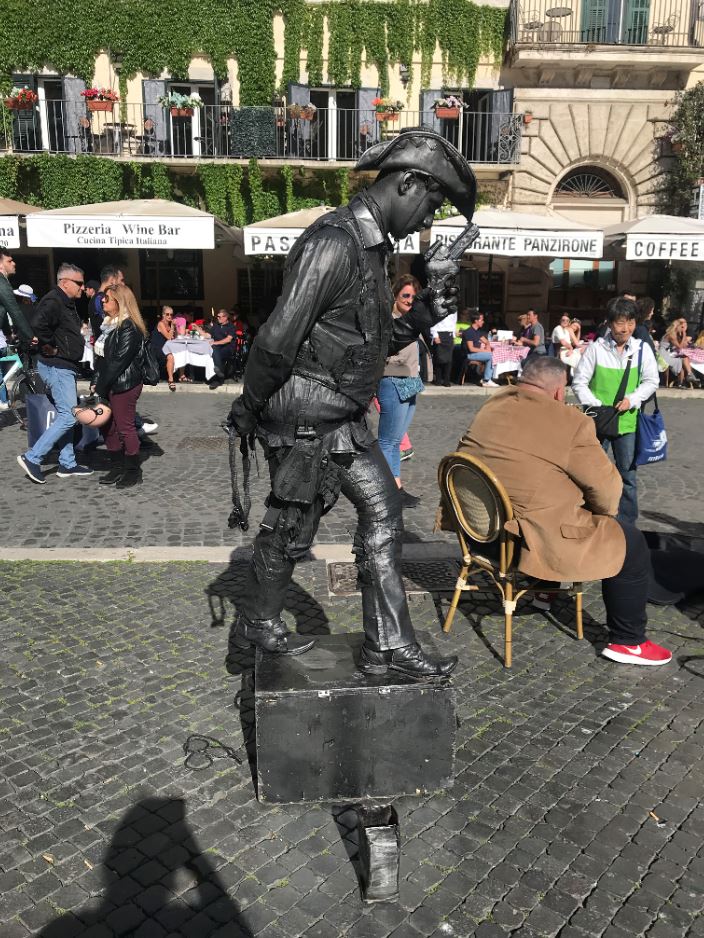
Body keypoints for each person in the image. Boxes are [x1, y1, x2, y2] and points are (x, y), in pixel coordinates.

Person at [228, 127, 478, 681]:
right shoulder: (334, 243)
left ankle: (384, 645)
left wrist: (428, 308)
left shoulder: (371, 251)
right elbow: (276, 339)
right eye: (431, 204)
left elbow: (372, 342)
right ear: (408, 183)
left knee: (380, 511)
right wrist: (247, 408)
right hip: (305, 419)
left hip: (340, 418)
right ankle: (259, 624)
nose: (427, 220)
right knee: (294, 526)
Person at [440, 355, 671, 666]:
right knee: (631, 543)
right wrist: (602, 514)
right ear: (560, 392)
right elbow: (608, 490)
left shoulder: (493, 405)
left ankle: (543, 591)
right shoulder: (571, 421)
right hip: (527, 540)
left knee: (547, 498)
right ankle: (628, 641)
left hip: (480, 533)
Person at [572, 297, 659, 524]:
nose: (626, 329)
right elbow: (579, 382)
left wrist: (633, 399)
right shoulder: (596, 349)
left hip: (627, 422)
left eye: (631, 322)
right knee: (591, 473)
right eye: (620, 323)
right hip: (598, 421)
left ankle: (628, 523)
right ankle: (588, 516)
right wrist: (595, 404)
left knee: (627, 475)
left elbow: (651, 381)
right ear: (610, 323)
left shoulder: (641, 350)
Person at [17, 263, 92, 484]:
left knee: (65, 414)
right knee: (69, 416)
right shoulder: (54, 300)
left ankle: (67, 463)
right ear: (65, 282)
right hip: (57, 366)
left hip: (63, 366)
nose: (82, 287)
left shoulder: (64, 302)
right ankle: (33, 457)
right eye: (79, 283)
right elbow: (37, 324)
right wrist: (49, 344)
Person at [377, 275, 426, 508]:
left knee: (396, 441)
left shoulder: (412, 320)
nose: (409, 300)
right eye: (405, 295)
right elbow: (382, 355)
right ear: (395, 296)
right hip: (392, 382)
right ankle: (390, 491)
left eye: (413, 297)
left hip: (411, 383)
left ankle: (397, 487)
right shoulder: (389, 321)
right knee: (388, 441)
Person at [94, 284, 148, 489]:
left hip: (125, 383)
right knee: (108, 426)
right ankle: (117, 466)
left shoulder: (128, 326)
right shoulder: (108, 325)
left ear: (120, 302)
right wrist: (95, 382)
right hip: (108, 382)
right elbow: (101, 359)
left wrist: (100, 386)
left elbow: (118, 362)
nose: (103, 302)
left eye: (107, 299)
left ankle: (133, 471)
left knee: (125, 427)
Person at [659, 317, 698, 388]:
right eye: (682, 327)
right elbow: (680, 347)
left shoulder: (672, 333)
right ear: (678, 326)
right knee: (680, 361)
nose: (683, 328)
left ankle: (683, 380)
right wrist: (684, 335)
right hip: (663, 354)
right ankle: (682, 381)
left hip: (666, 352)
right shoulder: (672, 335)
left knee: (681, 360)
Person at [462, 310, 497, 388]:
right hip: (469, 355)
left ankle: (486, 379)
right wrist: (486, 351)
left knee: (491, 355)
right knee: (491, 356)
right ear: (476, 321)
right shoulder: (469, 332)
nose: (483, 322)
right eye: (481, 320)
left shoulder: (477, 332)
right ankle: (487, 380)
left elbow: (487, 342)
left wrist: (487, 349)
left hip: (476, 353)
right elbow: (471, 349)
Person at [208, 308, 237, 389]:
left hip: (228, 347)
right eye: (217, 316)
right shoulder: (216, 325)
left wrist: (215, 343)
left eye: (219, 317)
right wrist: (198, 329)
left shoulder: (231, 326)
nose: (218, 318)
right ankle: (219, 374)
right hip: (217, 347)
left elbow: (228, 339)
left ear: (225, 317)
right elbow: (208, 335)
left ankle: (219, 378)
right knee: (212, 350)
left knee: (214, 350)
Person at [151, 305, 177, 390]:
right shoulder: (161, 324)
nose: (169, 316)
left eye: (171, 314)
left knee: (178, 353)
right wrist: (173, 326)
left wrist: (175, 328)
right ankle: (171, 379)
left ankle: (181, 375)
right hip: (157, 348)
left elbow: (174, 337)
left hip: (165, 347)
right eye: (167, 314)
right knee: (170, 356)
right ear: (163, 315)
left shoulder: (169, 325)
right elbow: (169, 337)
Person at [430, 306, 456, 386]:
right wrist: (435, 335)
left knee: (449, 360)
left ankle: (446, 380)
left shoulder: (454, 309)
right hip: (439, 333)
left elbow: (453, 322)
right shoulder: (437, 308)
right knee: (439, 358)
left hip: (449, 334)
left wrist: (453, 336)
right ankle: (438, 380)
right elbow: (432, 322)